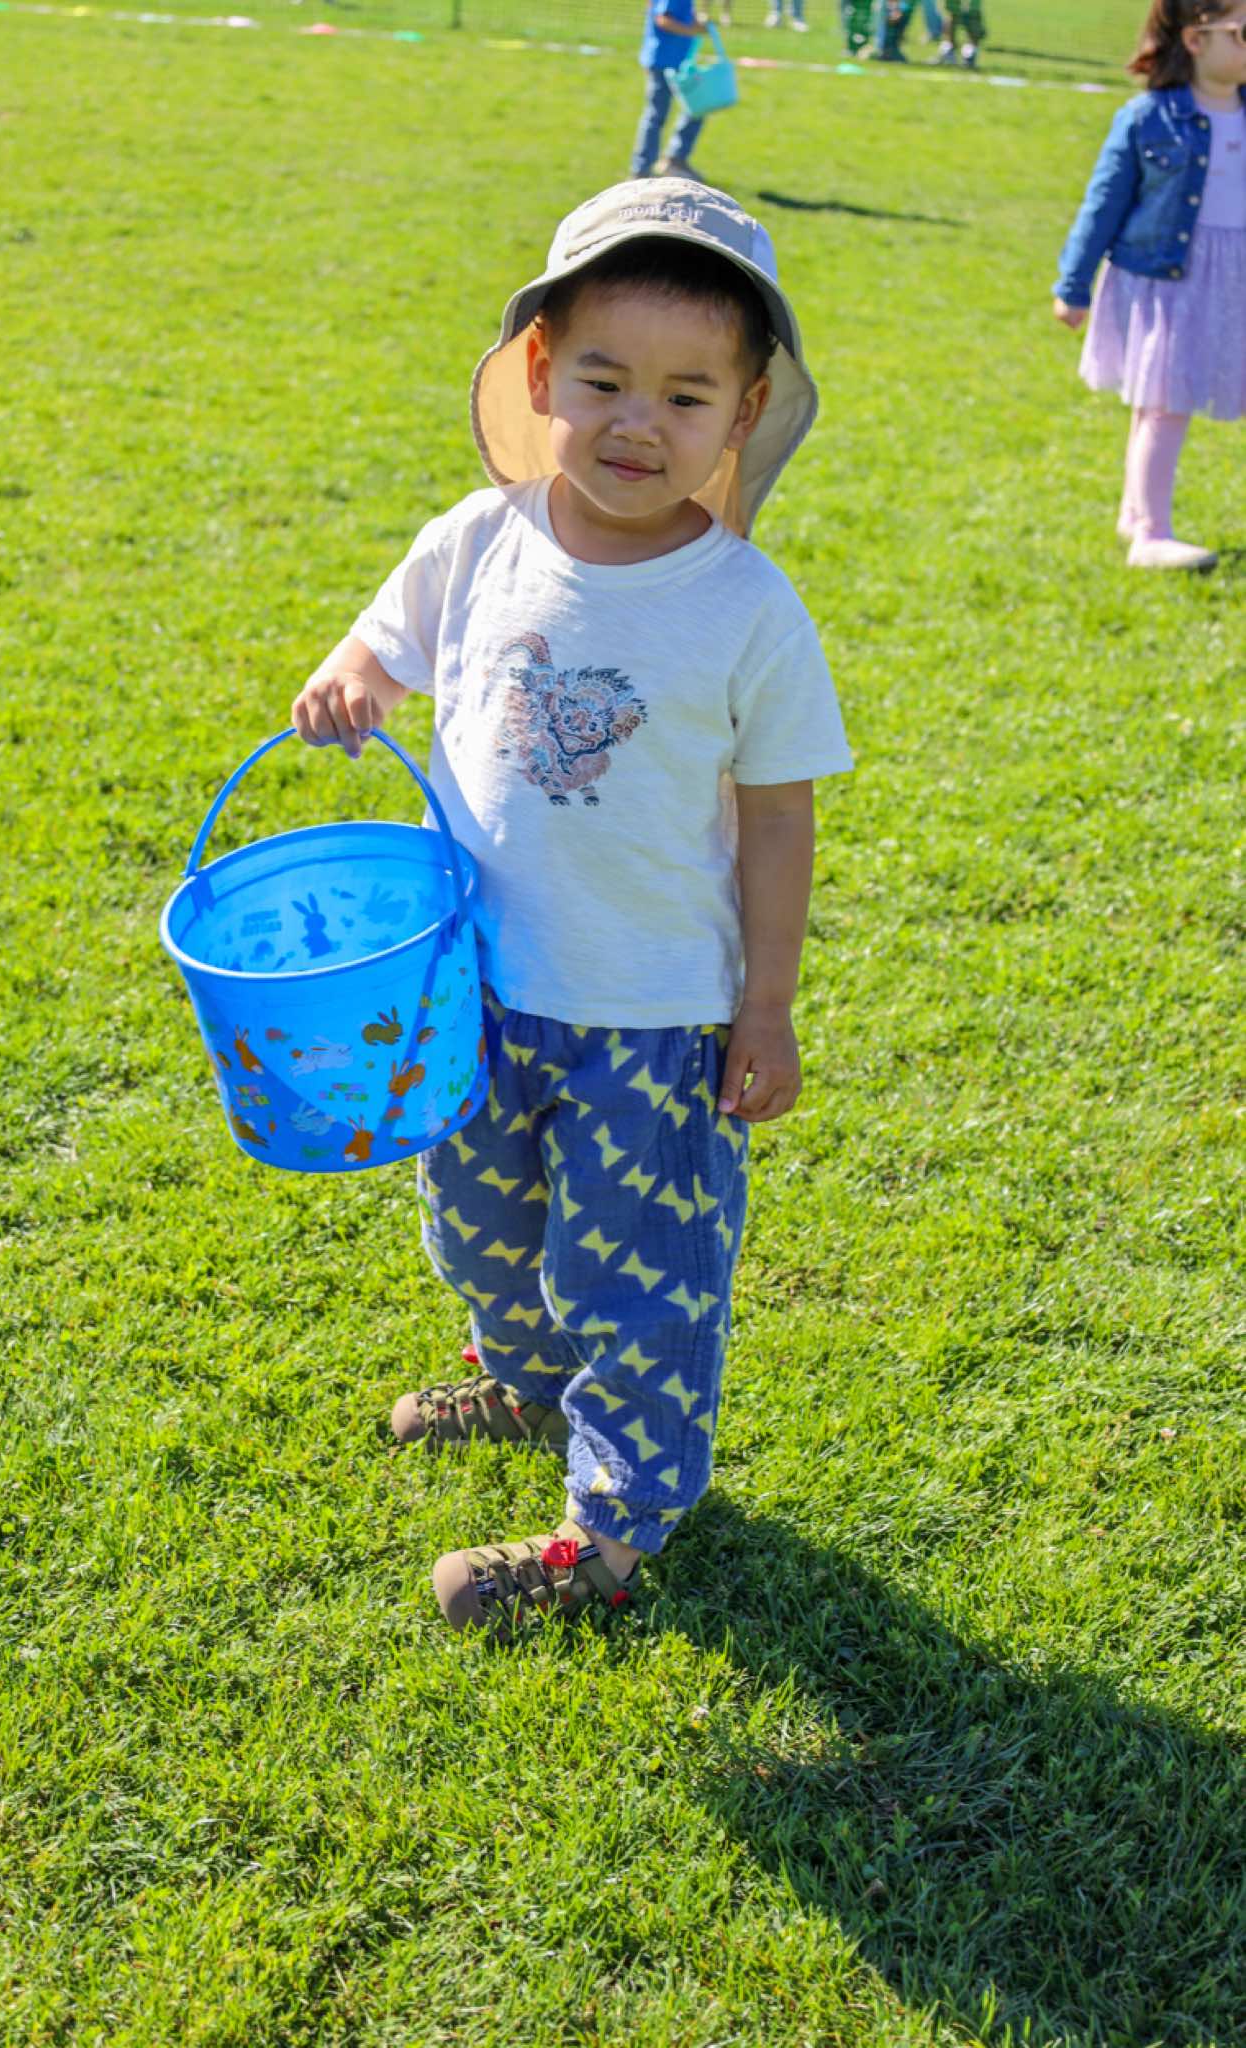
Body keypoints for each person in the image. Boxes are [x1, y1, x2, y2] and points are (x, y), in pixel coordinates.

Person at [291, 183, 852, 1635]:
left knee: (636, 1280)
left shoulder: (746, 608)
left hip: (653, 1019)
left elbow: (778, 818)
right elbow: (383, 648)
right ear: (541, 372)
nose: (636, 423)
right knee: (479, 1229)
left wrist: (767, 1008)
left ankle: (614, 1523)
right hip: (476, 997)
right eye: (604, 380)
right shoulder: (475, 542)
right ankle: (529, 1381)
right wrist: (350, 680)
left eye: (685, 395)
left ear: (742, 415)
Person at [1053, 0, 1246, 570]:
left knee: (1158, 404)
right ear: (1195, 41)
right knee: (1163, 405)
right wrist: (1073, 285)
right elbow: (1103, 204)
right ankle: (1151, 535)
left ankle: (1135, 514)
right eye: (1242, 33)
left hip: (1231, 283)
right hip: (1169, 285)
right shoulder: (1147, 118)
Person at [632, 0, 712, 181]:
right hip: (664, 61)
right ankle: (642, 168)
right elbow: (664, 20)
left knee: (697, 108)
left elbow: (679, 14)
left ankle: (675, 158)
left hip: (679, 61)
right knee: (657, 115)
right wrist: (692, 30)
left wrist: (696, 22)